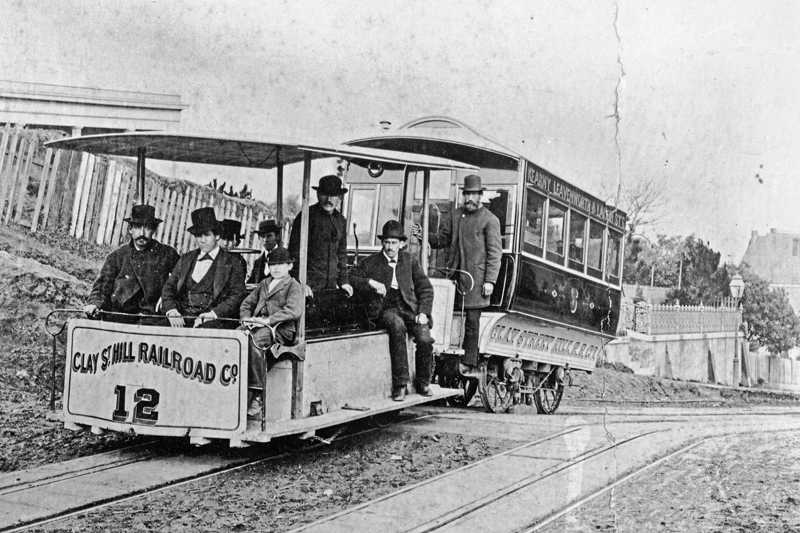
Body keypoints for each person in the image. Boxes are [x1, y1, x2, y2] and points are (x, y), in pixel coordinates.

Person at [412, 174, 501, 376]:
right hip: (453, 276)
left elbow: (495, 254)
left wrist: (490, 281)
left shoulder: (490, 220)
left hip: (476, 280)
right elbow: (442, 239)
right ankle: (439, 358)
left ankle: (470, 362)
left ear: (480, 196)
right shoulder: (455, 215)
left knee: (471, 320)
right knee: (445, 316)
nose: (470, 198)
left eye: (474, 194)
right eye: (467, 194)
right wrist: (423, 235)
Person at [350, 220, 435, 401]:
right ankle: (401, 385)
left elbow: (425, 288)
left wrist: (423, 312)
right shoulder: (371, 262)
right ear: (382, 243)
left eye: (394, 243)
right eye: (387, 242)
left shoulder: (410, 261)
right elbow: (351, 277)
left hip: (409, 307)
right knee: (397, 327)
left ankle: (423, 381)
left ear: (402, 244)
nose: (390, 247)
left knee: (425, 337)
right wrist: (370, 283)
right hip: (385, 308)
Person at [83, 204, 179, 324]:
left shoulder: (167, 254)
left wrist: (168, 300)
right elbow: (101, 288)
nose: (141, 233)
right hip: (121, 319)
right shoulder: (117, 256)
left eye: (147, 228)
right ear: (130, 229)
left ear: (154, 230)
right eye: (138, 227)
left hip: (154, 321)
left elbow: (182, 282)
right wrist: (95, 305)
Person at [239, 247, 303, 419]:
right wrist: (247, 319)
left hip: (280, 329)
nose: (275, 268)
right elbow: (247, 304)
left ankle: (258, 394)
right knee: (235, 338)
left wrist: (268, 320)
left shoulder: (293, 286)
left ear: (289, 266)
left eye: (280, 264)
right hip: (258, 325)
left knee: (254, 342)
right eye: (272, 264)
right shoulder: (264, 283)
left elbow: (293, 310)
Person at [160, 207, 246, 328]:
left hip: (213, 320)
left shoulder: (233, 263)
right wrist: (172, 310)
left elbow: (236, 296)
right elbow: (168, 287)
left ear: (217, 236)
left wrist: (213, 314)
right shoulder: (186, 259)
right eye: (198, 235)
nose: (202, 240)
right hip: (182, 317)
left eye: (207, 235)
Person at [288, 175, 353, 299]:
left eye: (333, 195)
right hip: (309, 288)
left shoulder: (341, 220)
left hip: (331, 287)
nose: (328, 199)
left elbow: (341, 254)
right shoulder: (307, 216)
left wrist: (344, 281)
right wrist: (302, 282)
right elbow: (295, 253)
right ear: (318, 195)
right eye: (324, 194)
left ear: (340, 197)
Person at [247, 219, 281, 285]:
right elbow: (250, 283)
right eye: (262, 236)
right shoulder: (257, 262)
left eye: (269, 236)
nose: (265, 240)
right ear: (259, 238)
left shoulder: (285, 257)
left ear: (277, 237)